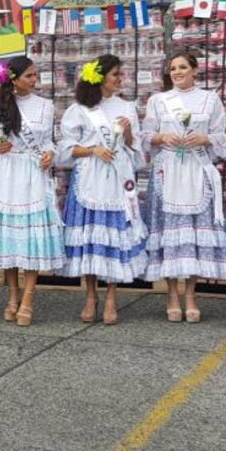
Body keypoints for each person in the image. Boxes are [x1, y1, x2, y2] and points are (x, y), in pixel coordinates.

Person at [142, 53, 226, 323]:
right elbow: (145, 136)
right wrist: (162, 137)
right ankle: (171, 294)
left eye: (182, 67)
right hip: (168, 169)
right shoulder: (158, 100)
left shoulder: (210, 99)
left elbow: (222, 136)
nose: (177, 72)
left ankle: (191, 295)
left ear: (195, 70)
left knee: (193, 234)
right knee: (170, 231)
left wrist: (204, 138)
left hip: (196, 167)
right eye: (173, 68)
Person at [59, 56, 147, 325]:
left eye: (121, 74)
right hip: (90, 177)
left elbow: (135, 149)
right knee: (90, 238)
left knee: (113, 237)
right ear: (100, 78)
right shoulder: (79, 109)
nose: (120, 79)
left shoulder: (126, 107)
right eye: (115, 74)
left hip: (117, 178)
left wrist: (128, 133)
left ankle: (110, 296)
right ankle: (90, 296)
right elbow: (66, 149)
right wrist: (93, 150)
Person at [0, 56, 63, 327]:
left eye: (35, 75)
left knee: (32, 237)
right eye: (29, 75)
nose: (34, 79)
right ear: (14, 79)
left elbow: (48, 140)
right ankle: (12, 295)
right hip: (6, 172)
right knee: (10, 237)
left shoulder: (45, 106)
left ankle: (28, 298)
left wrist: (50, 153)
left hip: (32, 173)